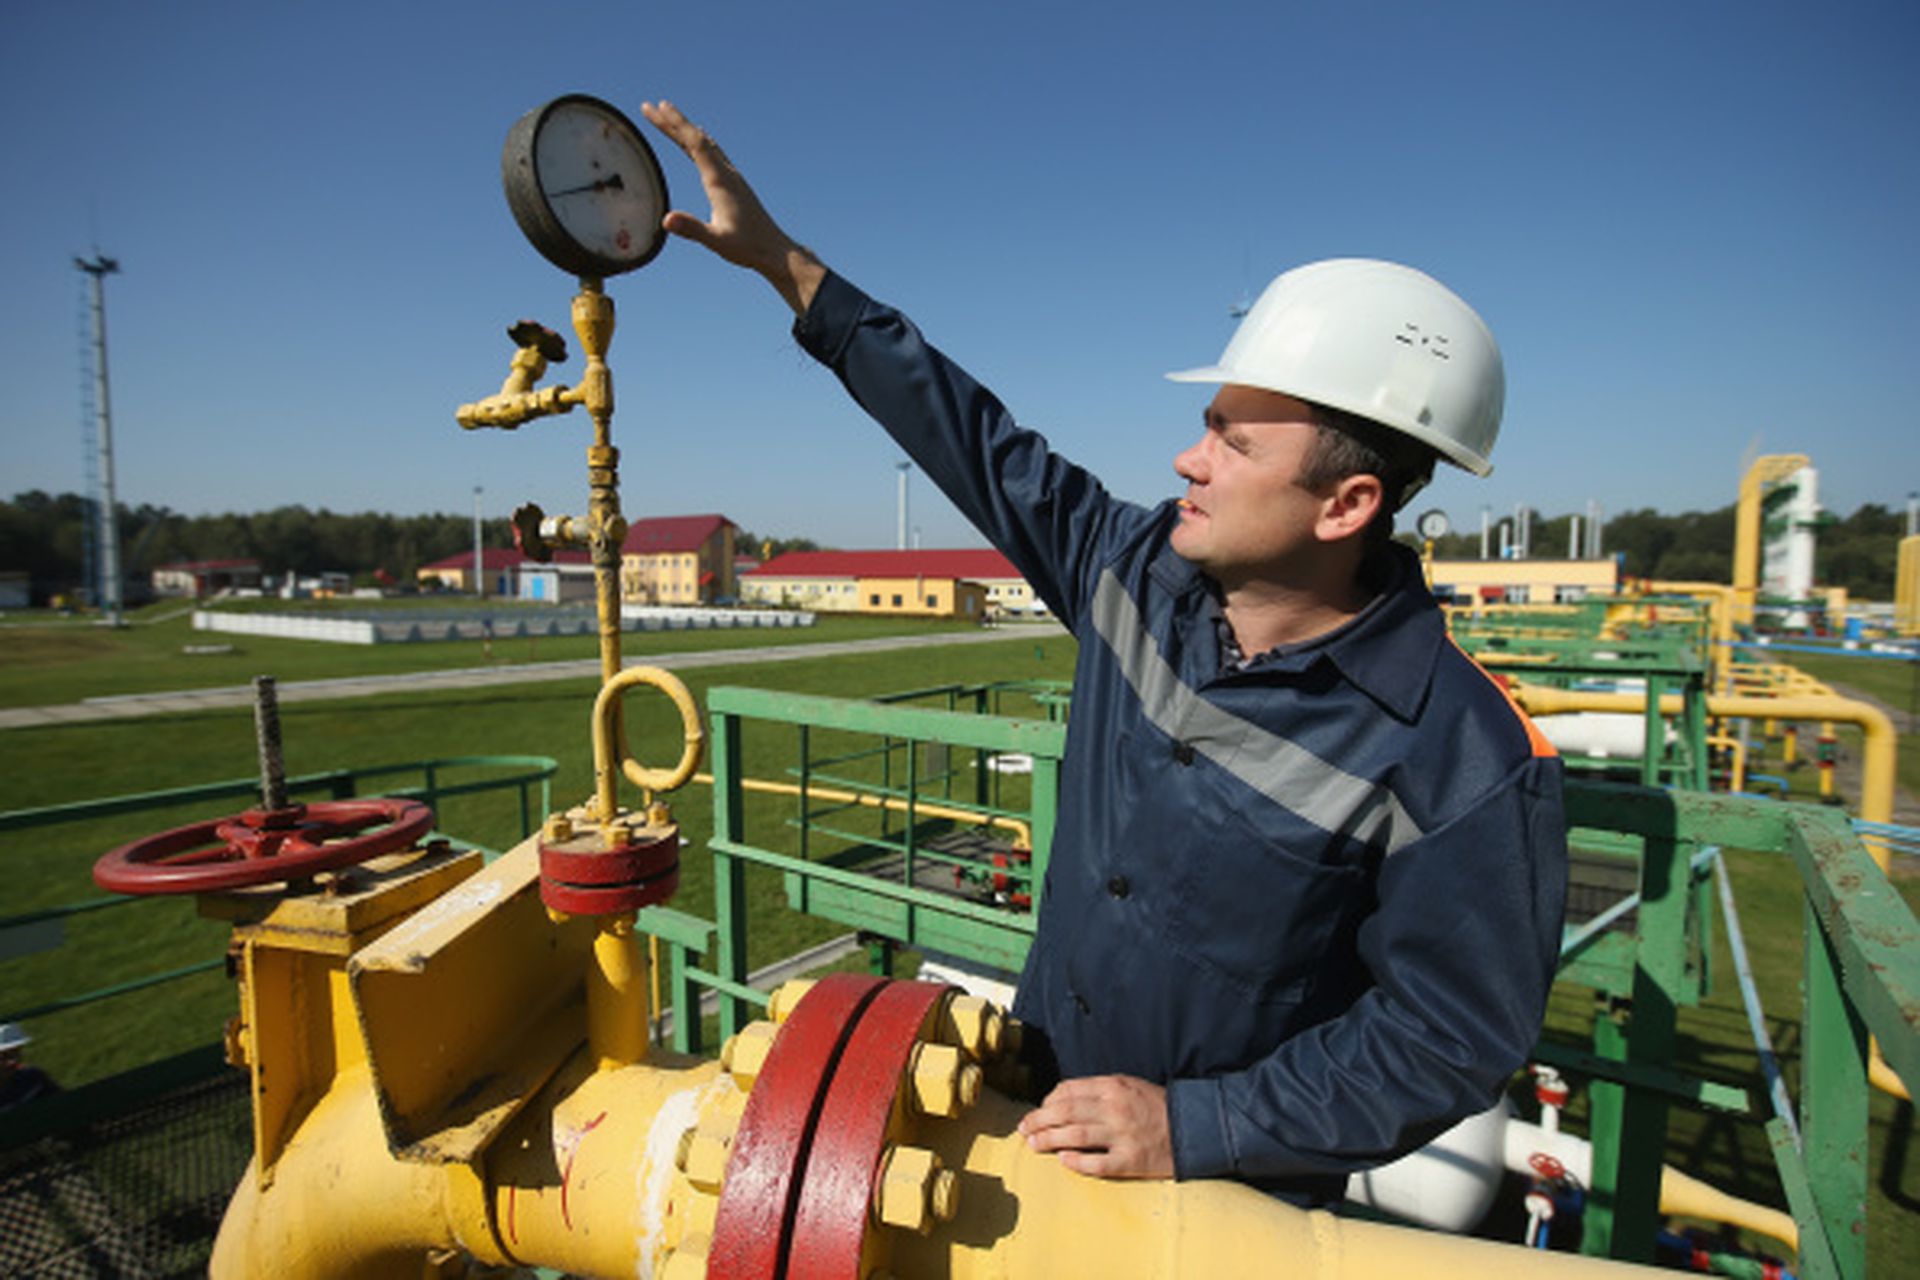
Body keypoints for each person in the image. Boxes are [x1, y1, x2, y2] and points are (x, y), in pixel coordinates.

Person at [640, 101, 1567, 1203]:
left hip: (1230, 1203)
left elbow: (1447, 1033)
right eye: (1206, 421)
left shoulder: (1460, 752)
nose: (1187, 456)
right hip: (1038, 1123)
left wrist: (1200, 1121)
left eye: (1231, 438)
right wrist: (782, 266)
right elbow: (968, 433)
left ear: (1346, 502)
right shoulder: (1134, 571)